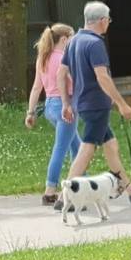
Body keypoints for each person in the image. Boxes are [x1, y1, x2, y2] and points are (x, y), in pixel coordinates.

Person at [60, 1, 131, 205]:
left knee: (111, 145)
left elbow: (61, 72)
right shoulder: (95, 43)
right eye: (108, 20)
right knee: (87, 149)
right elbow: (102, 77)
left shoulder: (74, 41)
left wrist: (66, 102)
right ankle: (63, 197)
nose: (109, 24)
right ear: (102, 21)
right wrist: (121, 104)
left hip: (83, 103)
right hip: (96, 104)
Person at [25, 22, 79, 207]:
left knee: (78, 148)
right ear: (64, 39)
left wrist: (31, 112)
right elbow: (72, 81)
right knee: (61, 148)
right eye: (71, 39)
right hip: (65, 106)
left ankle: (82, 186)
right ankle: (50, 192)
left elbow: (35, 87)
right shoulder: (64, 58)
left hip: (49, 106)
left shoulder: (43, 58)